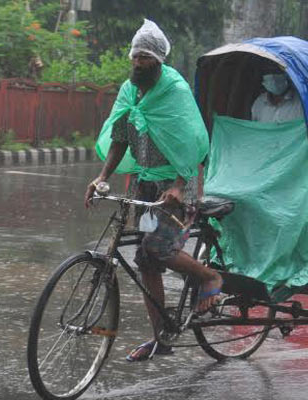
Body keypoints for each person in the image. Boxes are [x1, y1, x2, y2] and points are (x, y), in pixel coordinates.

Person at [84, 19, 222, 362]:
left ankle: (209, 276)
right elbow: (119, 137)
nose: (138, 63)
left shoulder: (174, 91)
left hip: (181, 182)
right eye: (135, 56)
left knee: (156, 247)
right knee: (145, 260)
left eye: (145, 58)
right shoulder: (129, 91)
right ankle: (161, 338)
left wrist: (178, 185)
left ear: (159, 60)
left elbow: (192, 144)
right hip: (146, 183)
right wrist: (102, 177)